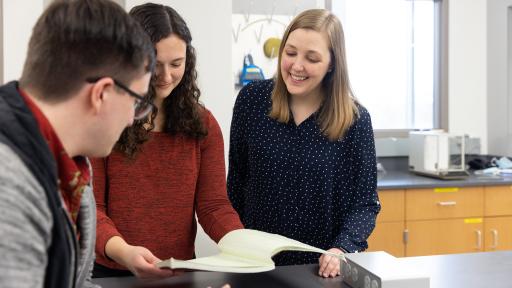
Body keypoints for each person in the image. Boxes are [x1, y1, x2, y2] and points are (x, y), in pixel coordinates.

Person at [0, 0, 155, 287]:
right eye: (136, 101)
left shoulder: (70, 166)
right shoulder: (8, 184)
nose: (133, 119)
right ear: (102, 94)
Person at [92, 3, 243, 279]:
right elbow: (93, 211)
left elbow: (213, 206)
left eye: (176, 64)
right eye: (154, 64)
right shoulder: (104, 119)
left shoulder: (203, 125)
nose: (166, 76)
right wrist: (125, 252)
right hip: (113, 273)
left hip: (179, 273)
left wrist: (243, 243)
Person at [227, 9, 380, 278]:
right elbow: (237, 181)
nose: (297, 66)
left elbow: (365, 203)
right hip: (256, 264)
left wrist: (340, 249)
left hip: (321, 270)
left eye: (312, 58)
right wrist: (235, 242)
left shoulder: (355, 120)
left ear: (332, 64)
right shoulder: (251, 101)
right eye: (290, 53)